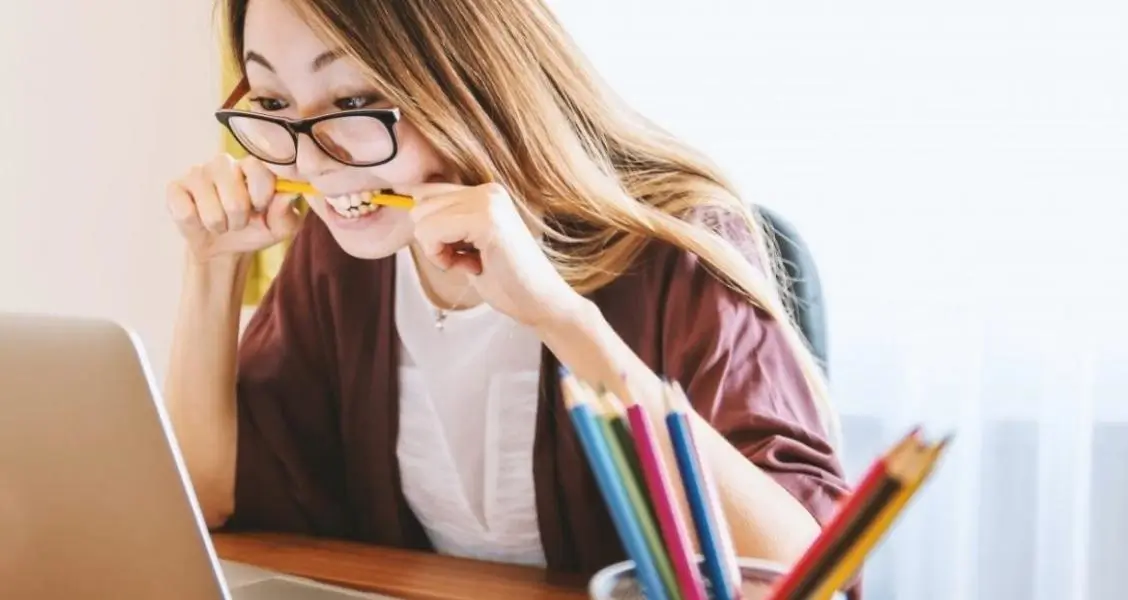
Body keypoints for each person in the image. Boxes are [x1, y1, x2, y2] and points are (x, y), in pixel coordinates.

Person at [164, 0, 851, 582]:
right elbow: (208, 498)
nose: (312, 162)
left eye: (353, 102)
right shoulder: (345, 253)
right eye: (275, 103)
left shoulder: (676, 245)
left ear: (473, 81)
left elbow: (804, 573)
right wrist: (213, 266)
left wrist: (560, 319)